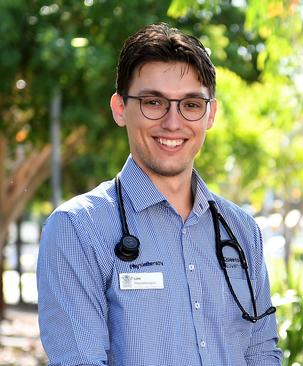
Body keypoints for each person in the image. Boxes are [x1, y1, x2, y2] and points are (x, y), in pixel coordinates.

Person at [37, 23, 282, 366]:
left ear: (210, 114)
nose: (173, 122)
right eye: (154, 102)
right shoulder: (77, 230)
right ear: (120, 108)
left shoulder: (241, 231)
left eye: (191, 104)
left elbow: (261, 353)